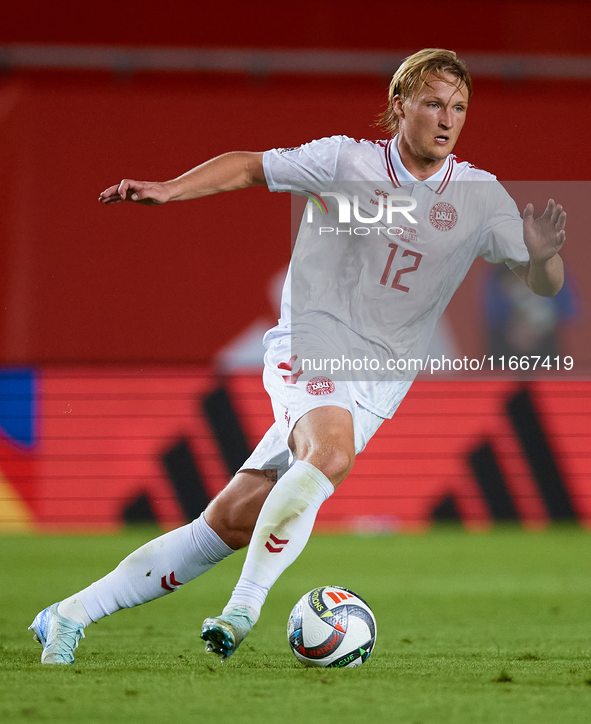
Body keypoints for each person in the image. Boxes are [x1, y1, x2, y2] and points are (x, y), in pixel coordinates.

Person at [29, 48, 567, 664]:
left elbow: (541, 282)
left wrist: (547, 254)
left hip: (376, 384)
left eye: (460, 108)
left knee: (228, 523)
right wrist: (170, 191)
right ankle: (241, 612)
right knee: (330, 452)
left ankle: (66, 614)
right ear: (399, 108)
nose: (448, 119)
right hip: (310, 344)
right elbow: (252, 168)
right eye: (433, 103)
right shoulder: (346, 160)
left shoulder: (479, 195)